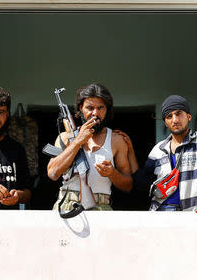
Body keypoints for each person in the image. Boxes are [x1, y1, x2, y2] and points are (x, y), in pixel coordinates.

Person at [121, 95, 197, 221]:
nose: (174, 120)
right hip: (161, 216)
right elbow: (143, 183)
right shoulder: (158, 150)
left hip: (193, 215)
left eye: (179, 114)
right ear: (165, 122)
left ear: (189, 116)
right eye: (169, 116)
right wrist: (130, 151)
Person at [47, 83, 133, 211]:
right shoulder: (66, 137)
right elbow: (52, 173)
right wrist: (77, 141)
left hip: (101, 208)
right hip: (66, 207)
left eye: (100, 108)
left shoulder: (116, 141)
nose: (95, 113)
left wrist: (112, 173)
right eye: (90, 107)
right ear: (81, 108)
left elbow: (128, 185)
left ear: (107, 110)